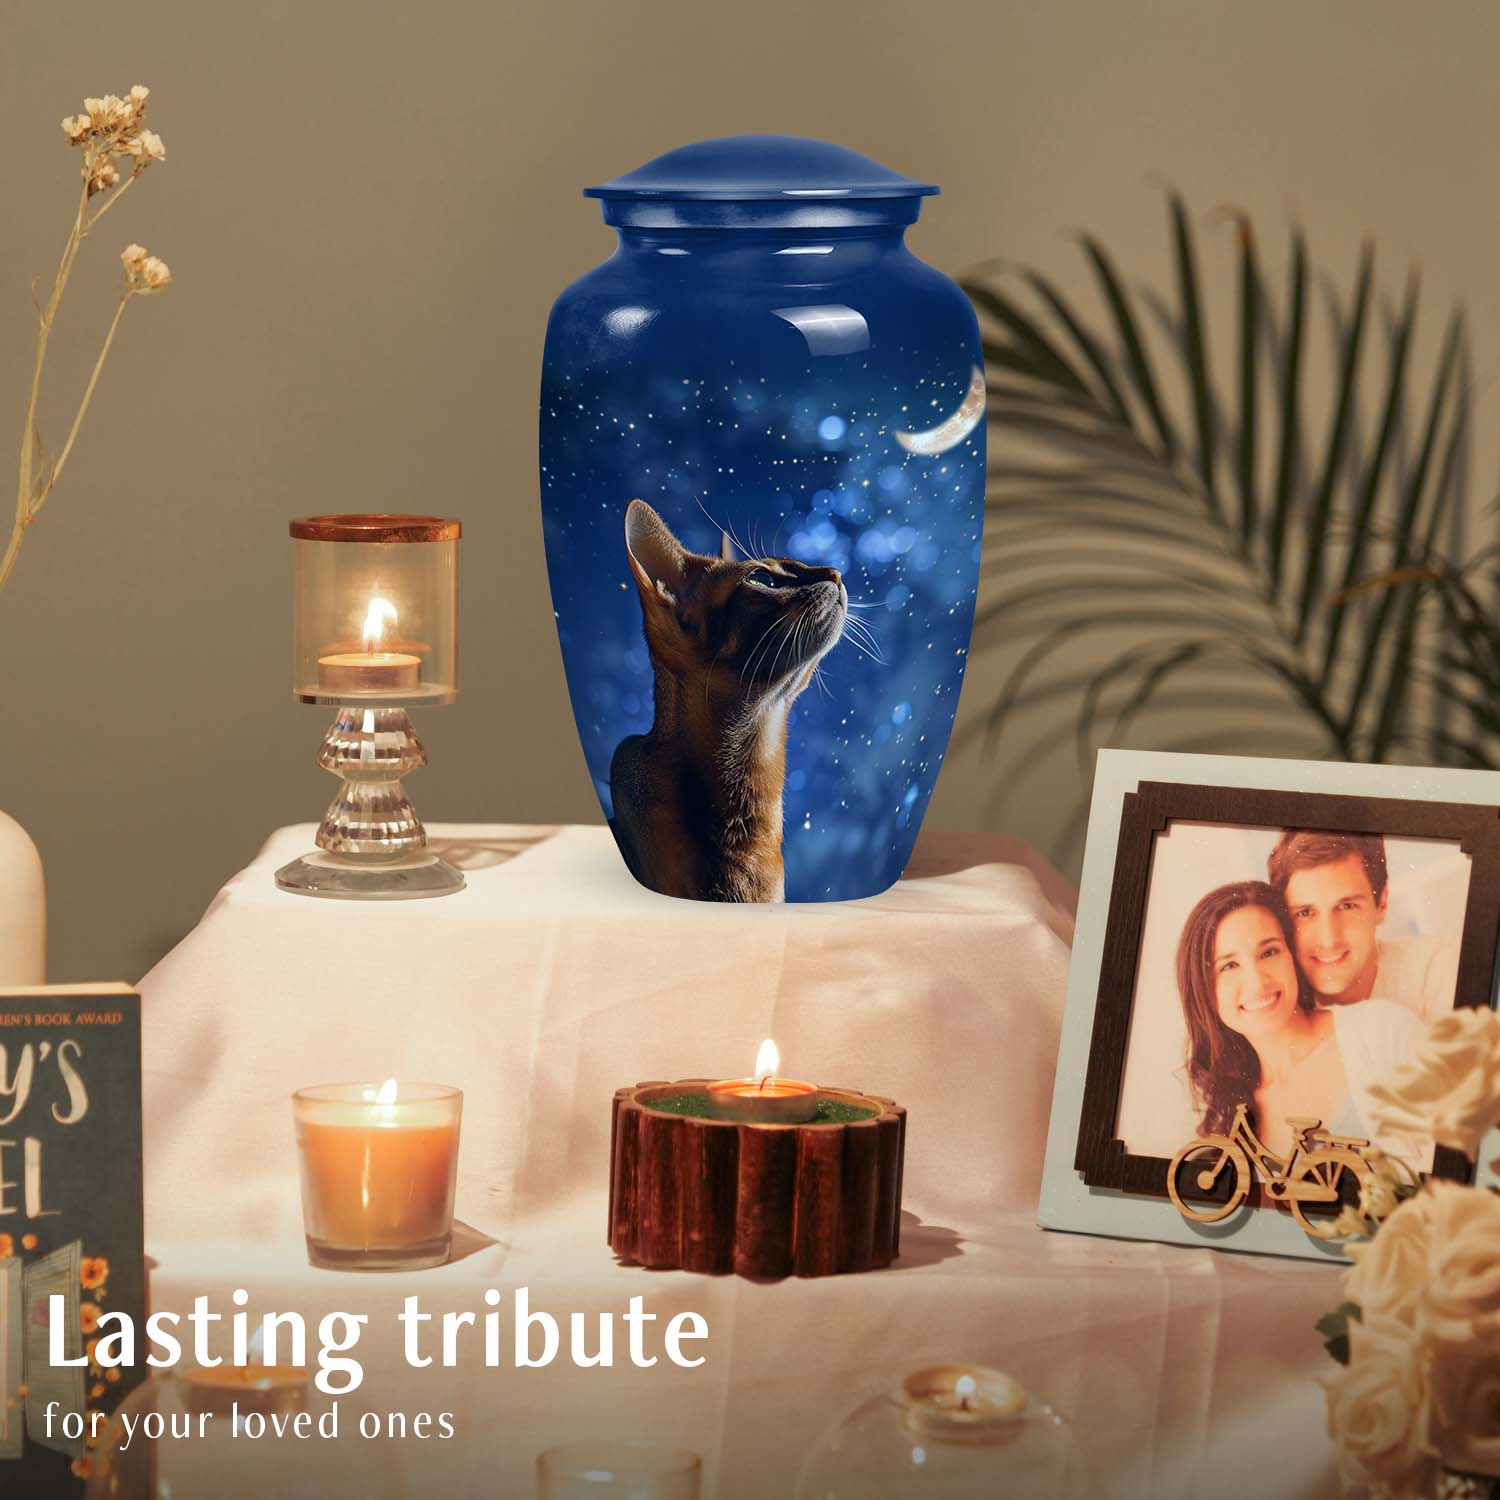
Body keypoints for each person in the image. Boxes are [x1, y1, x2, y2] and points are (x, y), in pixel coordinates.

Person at [1176, 880, 1429, 1168]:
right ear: (1203, 989)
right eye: (1229, 966)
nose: (1257, 982)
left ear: (1292, 956)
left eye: (1269, 952)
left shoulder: (1382, 1033)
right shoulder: (1228, 1113)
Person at [1267, 830, 1460, 1025]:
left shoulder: (1439, 969)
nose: (1329, 940)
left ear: (1382, 903)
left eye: (1347, 906)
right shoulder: (1273, 1007)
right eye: (1305, 913)